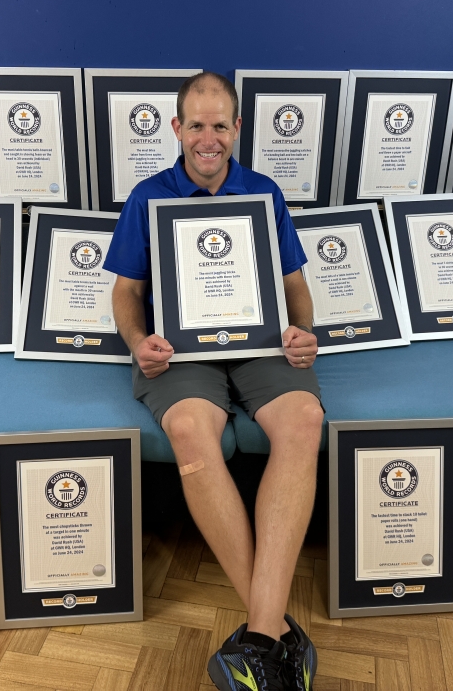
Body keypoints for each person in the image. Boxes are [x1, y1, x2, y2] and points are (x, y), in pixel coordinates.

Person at [103, 72, 323, 691]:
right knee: (190, 429)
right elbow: (127, 293)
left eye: (219, 125)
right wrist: (137, 344)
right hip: (183, 352)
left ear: (237, 129)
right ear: (176, 129)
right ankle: (276, 632)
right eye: (195, 125)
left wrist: (303, 331)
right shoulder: (149, 197)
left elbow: (296, 288)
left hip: (259, 344)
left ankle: (255, 638)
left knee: (305, 419)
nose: (208, 137)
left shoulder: (264, 192)